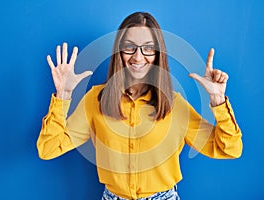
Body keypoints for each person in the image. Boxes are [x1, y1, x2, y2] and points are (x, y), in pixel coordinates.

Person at [37, 12, 242, 200]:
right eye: (129, 47)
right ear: (119, 51)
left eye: (148, 48)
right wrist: (63, 95)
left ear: (158, 54)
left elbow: (229, 149)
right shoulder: (96, 99)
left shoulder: (175, 105)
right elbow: (48, 148)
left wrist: (218, 101)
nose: (138, 56)